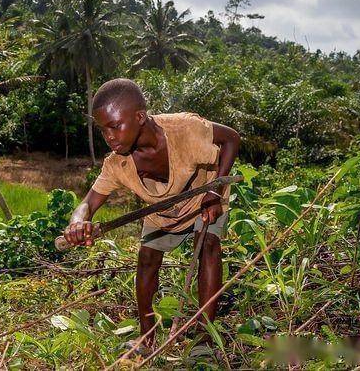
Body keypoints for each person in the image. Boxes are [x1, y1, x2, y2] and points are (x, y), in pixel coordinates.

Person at [63, 78, 240, 349]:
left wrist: (215, 193)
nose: (109, 137)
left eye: (115, 126)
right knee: (146, 259)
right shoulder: (117, 164)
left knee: (208, 246)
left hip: (205, 197)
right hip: (163, 211)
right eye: (103, 130)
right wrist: (78, 222)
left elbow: (231, 139)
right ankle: (147, 337)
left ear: (140, 117)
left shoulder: (184, 130)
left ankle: (205, 337)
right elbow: (89, 201)